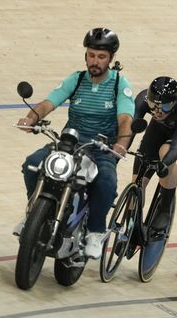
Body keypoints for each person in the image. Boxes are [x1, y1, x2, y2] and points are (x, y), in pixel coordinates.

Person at [16, 27, 135, 259]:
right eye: (91, 55)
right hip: (69, 144)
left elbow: (125, 119)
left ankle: (95, 231)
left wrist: (121, 144)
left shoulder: (120, 85)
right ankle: (33, 214)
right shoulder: (77, 79)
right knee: (32, 164)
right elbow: (49, 102)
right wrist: (31, 118)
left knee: (106, 181)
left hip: (101, 148)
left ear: (111, 59)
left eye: (101, 57)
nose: (95, 61)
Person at [131, 76, 177, 230]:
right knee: (137, 183)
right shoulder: (142, 99)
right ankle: (132, 226)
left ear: (175, 103)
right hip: (161, 127)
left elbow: (175, 148)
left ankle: (165, 209)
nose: (158, 112)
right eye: (153, 106)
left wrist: (163, 164)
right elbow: (128, 131)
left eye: (165, 107)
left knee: (165, 153)